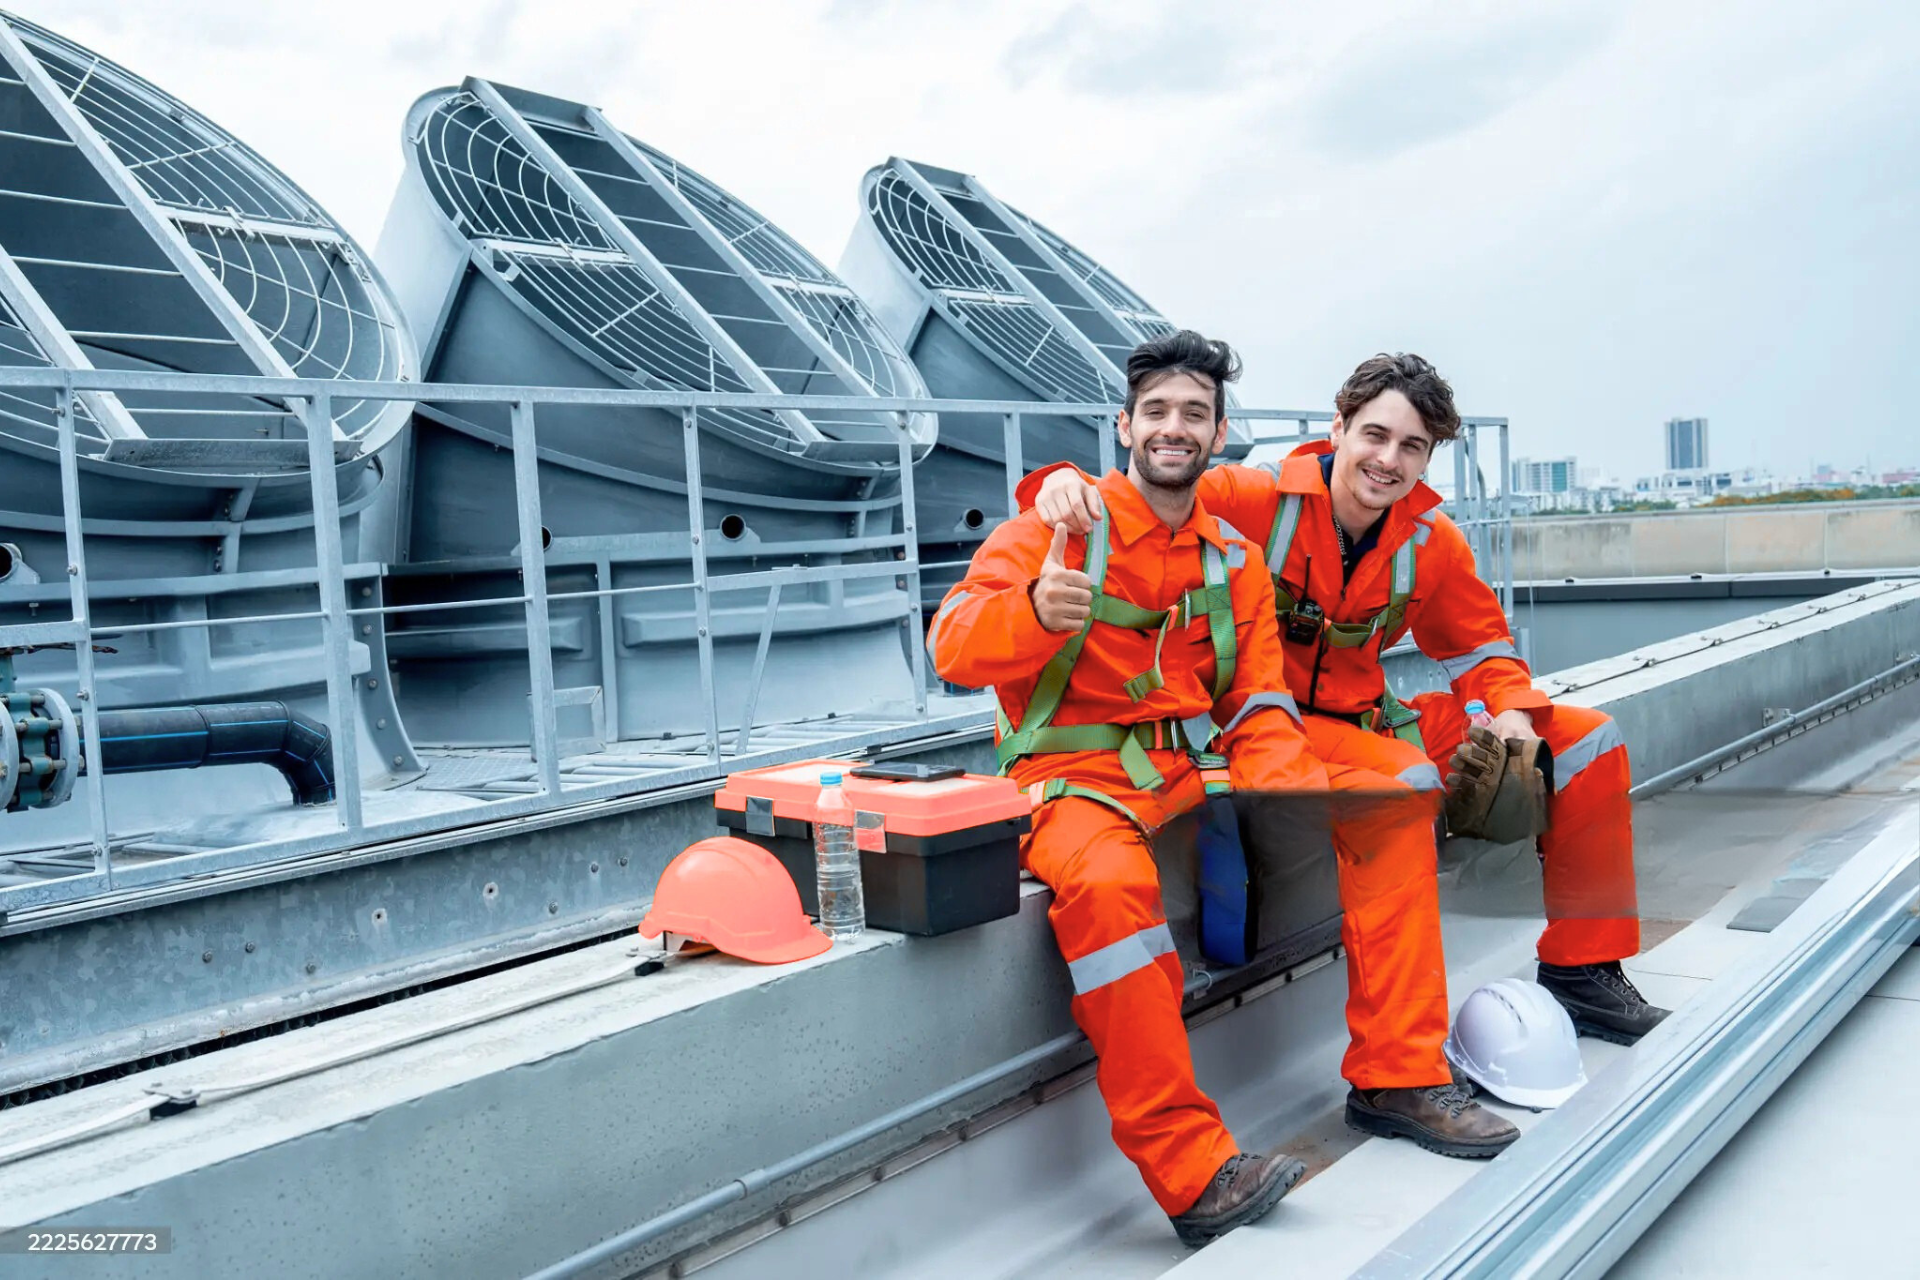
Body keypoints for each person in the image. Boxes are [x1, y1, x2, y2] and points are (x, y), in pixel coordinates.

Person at [930, 333, 1516, 1249]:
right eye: (1157, 412)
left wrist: (1282, 806)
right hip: (1072, 781)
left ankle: (1398, 1072)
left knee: (1393, 801)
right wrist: (1033, 613)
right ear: (1124, 427)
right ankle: (1192, 1170)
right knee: (1116, 897)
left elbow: (1262, 704)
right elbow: (953, 646)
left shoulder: (1233, 562)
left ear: (1217, 434)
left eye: (1194, 415)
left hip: (1194, 768)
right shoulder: (1055, 532)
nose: (1175, 429)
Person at [1026, 352, 1669, 1046]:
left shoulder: (1430, 544)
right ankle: (1399, 1057)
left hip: (1369, 725)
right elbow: (1141, 493)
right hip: (1259, 737)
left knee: (1585, 740)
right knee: (1401, 789)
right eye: (1374, 434)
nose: (1388, 460)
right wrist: (1055, 481)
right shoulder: (1254, 501)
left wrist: (1511, 709)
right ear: (1338, 428)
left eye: (1411, 447)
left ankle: (1584, 969)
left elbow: (1482, 647)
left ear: (1429, 459)